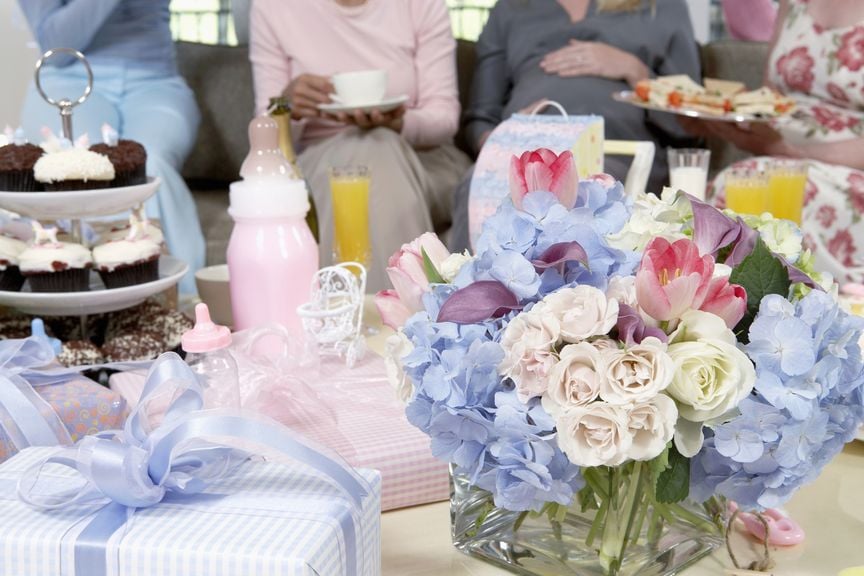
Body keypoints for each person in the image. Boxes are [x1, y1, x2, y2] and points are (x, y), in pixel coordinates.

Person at [249, 0, 472, 292]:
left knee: (378, 147)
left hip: (423, 157)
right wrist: (286, 105)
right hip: (320, 156)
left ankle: (343, 320)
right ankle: (413, 322)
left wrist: (398, 124)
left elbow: (444, 118)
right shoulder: (272, 7)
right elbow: (266, 139)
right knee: (367, 157)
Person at [450, 0, 702, 252]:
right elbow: (482, 116)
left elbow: (692, 119)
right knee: (476, 182)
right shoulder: (510, 8)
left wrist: (634, 70)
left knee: (593, 189)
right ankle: (467, 288)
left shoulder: (662, 6)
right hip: (527, 152)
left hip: (613, 150)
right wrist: (501, 141)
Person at [17, 0, 205, 295]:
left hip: (156, 81)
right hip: (66, 78)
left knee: (151, 162)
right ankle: (91, 306)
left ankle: (183, 300)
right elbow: (56, 44)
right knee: (85, 167)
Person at [699, 0, 864, 283]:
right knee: (733, 187)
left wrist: (792, 151)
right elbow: (770, 101)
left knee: (741, 186)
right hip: (775, 158)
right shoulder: (794, 3)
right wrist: (728, 121)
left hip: (847, 168)